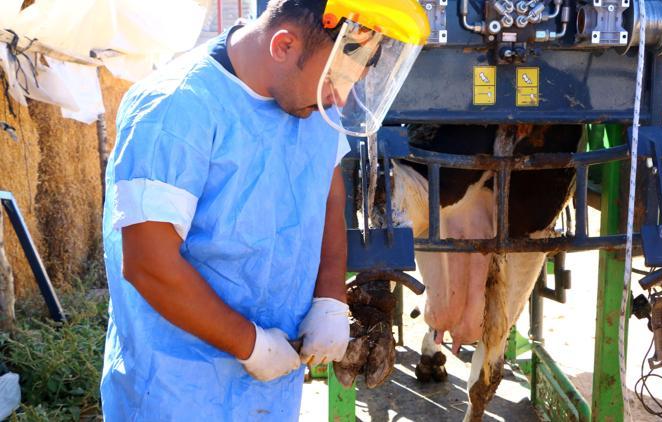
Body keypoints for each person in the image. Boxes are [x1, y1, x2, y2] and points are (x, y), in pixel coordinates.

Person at [99, 0, 429, 420]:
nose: (339, 98)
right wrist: (247, 343)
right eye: (334, 82)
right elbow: (149, 263)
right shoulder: (173, 109)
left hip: (270, 390)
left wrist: (329, 295)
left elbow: (327, 190)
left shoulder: (310, 101)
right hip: (177, 392)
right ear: (284, 45)